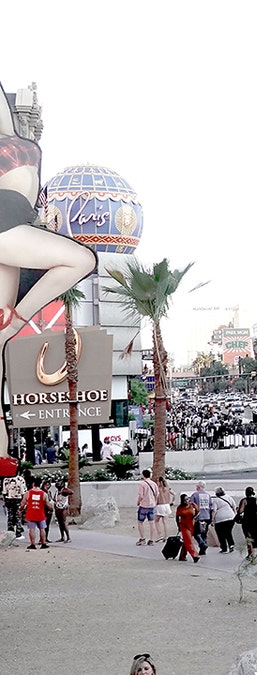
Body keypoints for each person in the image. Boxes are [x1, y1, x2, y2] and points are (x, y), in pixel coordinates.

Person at [0, 82, 98, 462]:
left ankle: (12, 324)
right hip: (7, 226)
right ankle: (14, 323)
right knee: (81, 260)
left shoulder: (9, 132)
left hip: (12, 228)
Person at [237, 486, 257, 557]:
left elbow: (240, 511)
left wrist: (238, 509)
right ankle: (253, 551)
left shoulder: (244, 501)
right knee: (255, 535)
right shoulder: (256, 500)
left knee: (248, 537)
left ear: (246, 493)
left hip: (247, 519)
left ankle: (250, 553)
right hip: (255, 519)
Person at [21, 477, 49, 549]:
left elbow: (23, 503)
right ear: (40, 484)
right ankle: (43, 543)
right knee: (42, 529)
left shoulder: (28, 493)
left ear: (33, 484)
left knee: (31, 529)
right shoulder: (44, 494)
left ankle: (33, 544)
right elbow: (47, 504)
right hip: (40, 514)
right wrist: (51, 509)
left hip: (31, 514)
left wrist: (20, 509)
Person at [135, 469, 158, 545]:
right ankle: (151, 539)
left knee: (140, 522)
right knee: (151, 522)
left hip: (144, 505)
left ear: (143, 475)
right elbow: (157, 494)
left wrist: (138, 502)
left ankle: (142, 538)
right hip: (152, 505)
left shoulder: (142, 484)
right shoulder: (154, 484)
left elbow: (141, 496)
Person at [174, 493, 200, 563]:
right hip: (184, 525)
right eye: (185, 500)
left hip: (191, 525)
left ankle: (182, 556)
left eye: (187, 499)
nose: (186, 501)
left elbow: (198, 512)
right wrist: (178, 526)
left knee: (186, 541)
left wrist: (195, 518)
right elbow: (177, 517)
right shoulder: (180, 508)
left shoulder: (192, 505)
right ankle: (195, 555)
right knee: (189, 541)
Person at [189, 480, 212, 555]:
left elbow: (191, 506)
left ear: (198, 487)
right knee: (204, 533)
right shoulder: (208, 495)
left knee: (196, 533)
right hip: (207, 516)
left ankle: (202, 544)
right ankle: (203, 550)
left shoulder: (195, 495)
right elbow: (210, 505)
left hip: (198, 516)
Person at [211, 486, 237, 553]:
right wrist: (234, 515)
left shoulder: (216, 500)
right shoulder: (228, 497)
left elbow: (214, 510)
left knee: (220, 534)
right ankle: (231, 544)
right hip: (230, 518)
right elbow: (234, 506)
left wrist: (212, 520)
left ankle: (224, 548)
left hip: (220, 520)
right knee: (228, 532)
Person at [153, 475, 173, 543]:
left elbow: (156, 497)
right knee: (165, 522)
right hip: (167, 505)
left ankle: (159, 535)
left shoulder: (158, 489)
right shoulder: (167, 488)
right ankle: (166, 536)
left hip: (159, 505)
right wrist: (172, 501)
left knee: (156, 521)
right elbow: (174, 494)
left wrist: (154, 504)